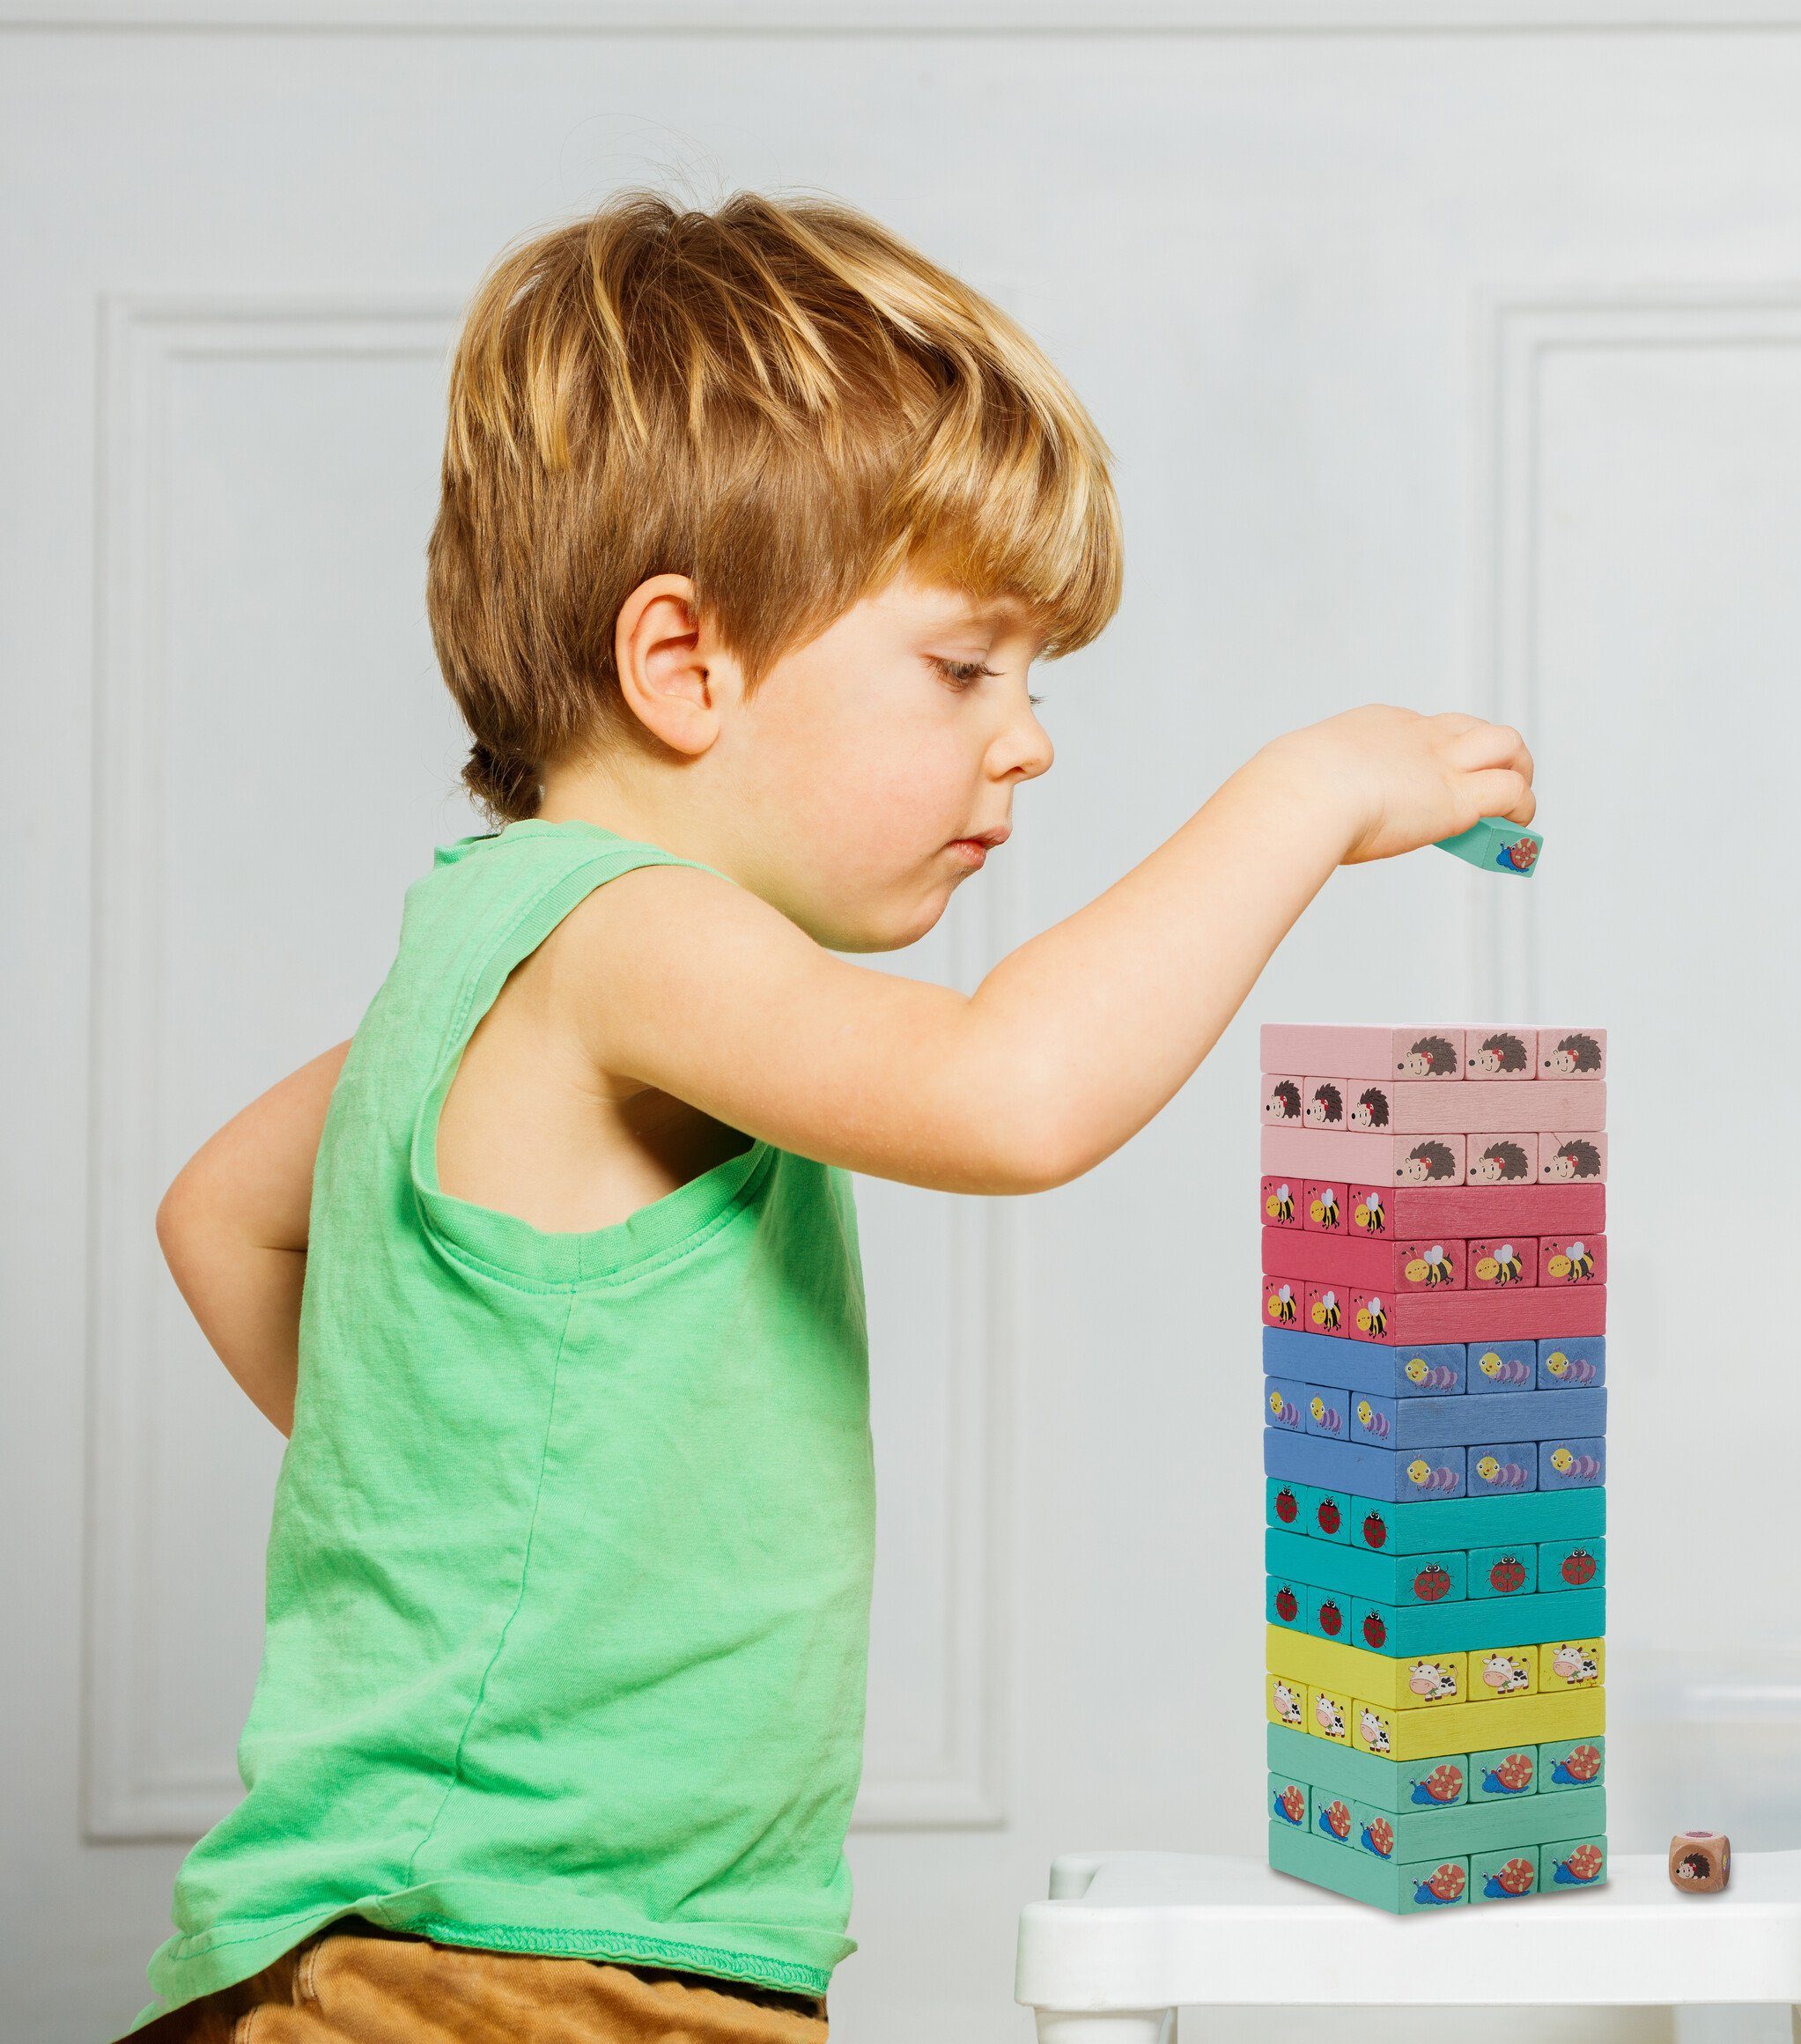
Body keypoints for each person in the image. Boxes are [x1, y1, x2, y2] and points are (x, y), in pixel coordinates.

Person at [132, 190, 1536, 2040]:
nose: (1024, 735)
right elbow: (1010, 1092)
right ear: (682, 664)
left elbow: (215, 1212)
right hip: (496, 1966)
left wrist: (482, 1507)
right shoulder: (639, 936)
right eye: (964, 667)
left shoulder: (480, 955)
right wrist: (1301, 795)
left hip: (497, 1938)